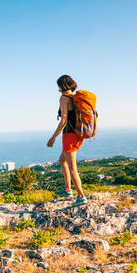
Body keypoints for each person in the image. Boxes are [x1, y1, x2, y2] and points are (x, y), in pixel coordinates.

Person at [47, 75, 87, 206]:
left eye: (58, 85)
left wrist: (53, 137)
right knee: (62, 160)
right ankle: (67, 189)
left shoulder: (64, 99)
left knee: (73, 168)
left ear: (62, 86)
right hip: (76, 134)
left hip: (69, 135)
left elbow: (64, 120)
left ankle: (81, 196)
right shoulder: (73, 97)